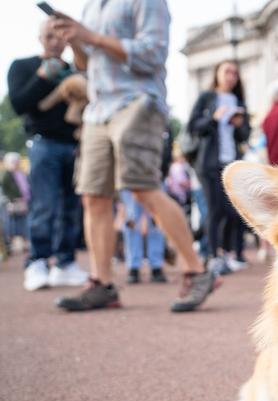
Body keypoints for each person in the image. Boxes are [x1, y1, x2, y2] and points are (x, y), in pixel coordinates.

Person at [51, 1, 219, 312]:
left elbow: (152, 53)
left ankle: (197, 271)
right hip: (97, 108)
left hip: (137, 101)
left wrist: (91, 35)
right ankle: (102, 283)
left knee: (142, 188)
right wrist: (76, 41)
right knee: (92, 196)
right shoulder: (91, 6)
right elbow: (87, 65)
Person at [7, 19, 88, 291]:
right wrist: (43, 76)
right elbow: (19, 104)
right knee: (44, 205)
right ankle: (37, 261)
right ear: (40, 38)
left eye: (59, 36)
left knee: (70, 208)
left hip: (74, 145)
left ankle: (65, 263)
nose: (55, 41)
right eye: (49, 36)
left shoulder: (75, 71)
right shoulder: (23, 66)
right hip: (43, 143)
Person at [188, 59, 252, 274]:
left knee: (232, 211)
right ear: (217, 74)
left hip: (231, 163)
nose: (231, 76)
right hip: (208, 163)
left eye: (235, 73)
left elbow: (245, 135)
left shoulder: (238, 100)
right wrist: (214, 119)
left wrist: (239, 125)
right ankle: (213, 255)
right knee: (215, 210)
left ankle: (226, 253)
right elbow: (193, 126)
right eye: (227, 71)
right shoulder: (208, 97)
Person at [1, 153, 30, 254]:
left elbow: (26, 187)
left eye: (17, 162)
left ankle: (24, 243)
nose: (16, 164)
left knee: (23, 223)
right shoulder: (6, 175)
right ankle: (12, 244)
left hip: (23, 202)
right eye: (14, 162)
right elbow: (5, 189)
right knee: (11, 224)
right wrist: (12, 199)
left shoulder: (21, 174)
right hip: (12, 203)